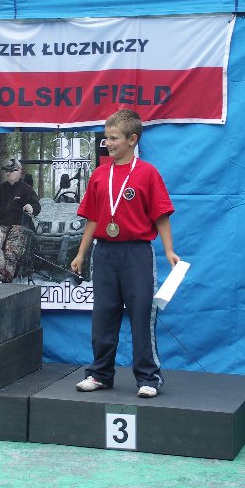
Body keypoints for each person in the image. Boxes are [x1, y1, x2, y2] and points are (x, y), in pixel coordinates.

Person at [70, 108, 179, 399]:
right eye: (106, 138)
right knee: (103, 315)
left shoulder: (147, 173)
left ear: (132, 139)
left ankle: (148, 377)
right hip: (104, 253)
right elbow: (92, 218)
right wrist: (81, 253)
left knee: (141, 314)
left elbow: (161, 215)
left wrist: (169, 249)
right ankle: (100, 374)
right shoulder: (99, 175)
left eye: (114, 138)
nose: (108, 143)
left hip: (137, 254)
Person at [0, 158, 41, 283]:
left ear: (19, 171)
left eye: (11, 171)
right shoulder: (0, 188)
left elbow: (37, 206)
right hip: (1, 224)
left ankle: (7, 279)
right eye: (6, 171)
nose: (8, 174)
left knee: (11, 251)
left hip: (19, 225)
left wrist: (31, 208)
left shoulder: (27, 189)